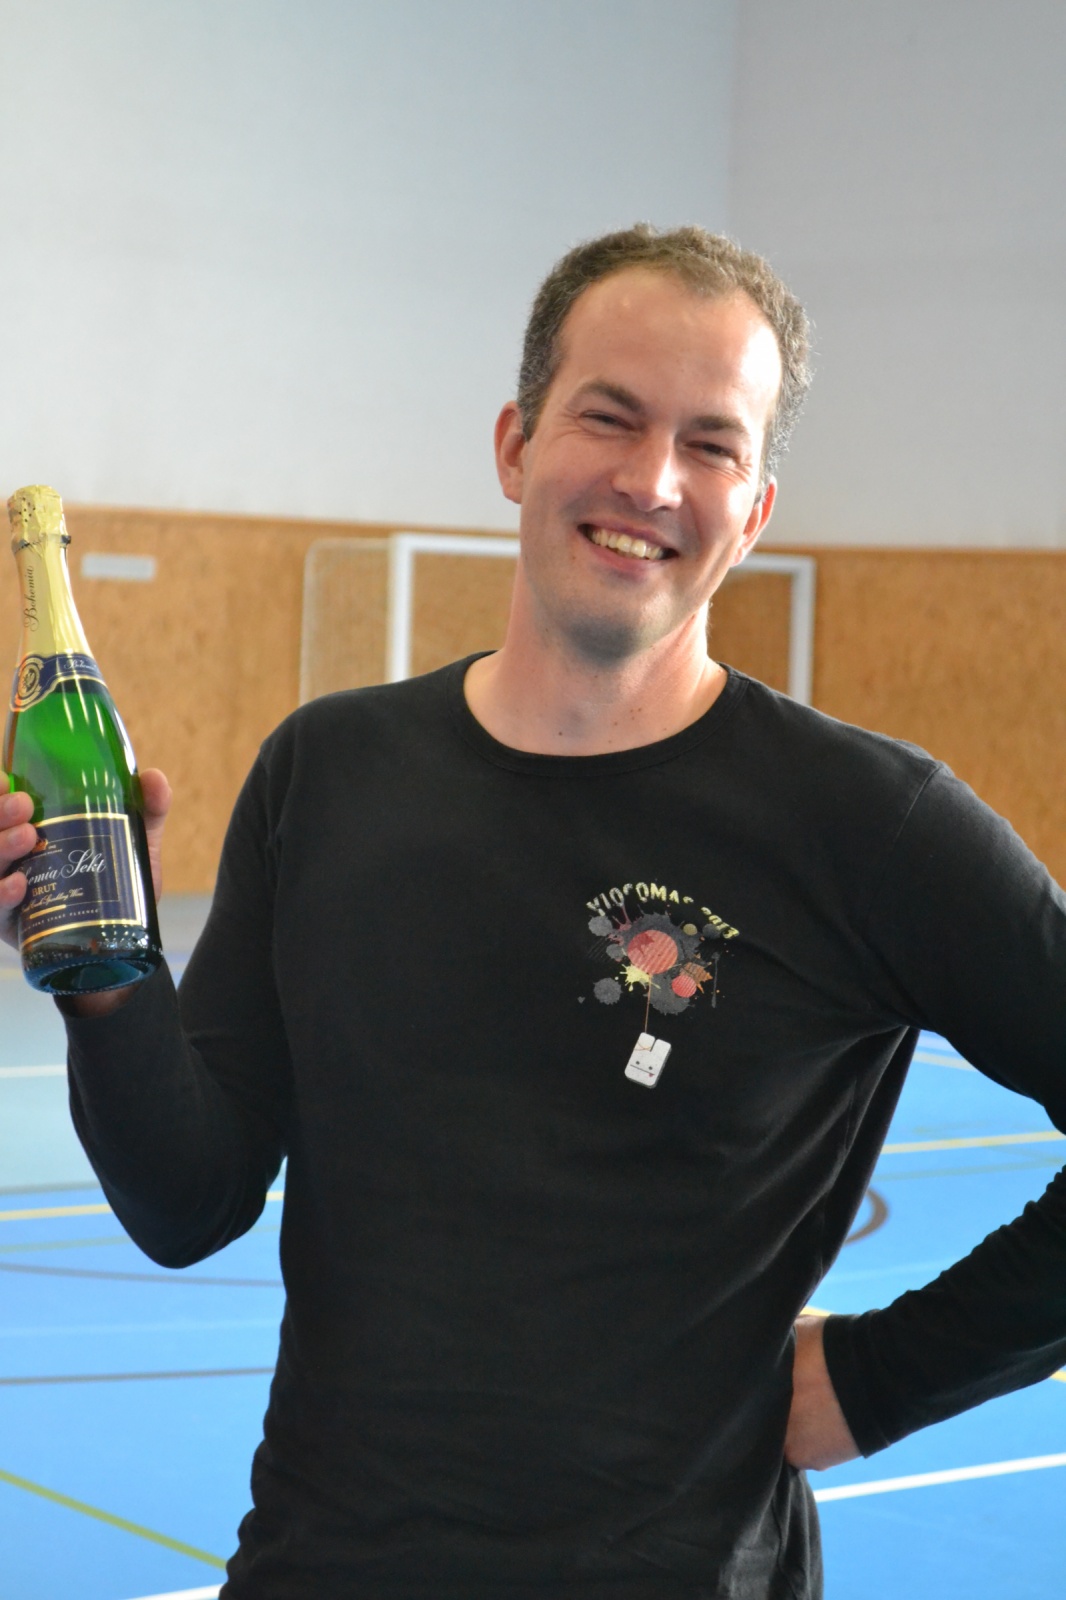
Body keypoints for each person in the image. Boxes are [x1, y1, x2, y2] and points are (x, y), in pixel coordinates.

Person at [2, 223, 1066, 1599]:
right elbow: (186, 1201)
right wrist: (106, 976)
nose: (650, 480)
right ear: (515, 445)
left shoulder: (868, 825)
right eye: (607, 417)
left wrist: (877, 1382)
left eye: (709, 444)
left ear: (752, 511)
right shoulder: (329, 774)